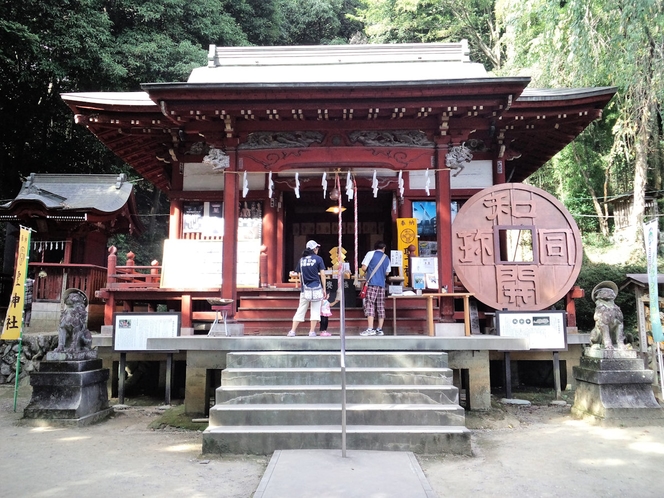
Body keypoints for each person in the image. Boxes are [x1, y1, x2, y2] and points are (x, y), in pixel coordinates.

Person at [287, 240, 327, 337]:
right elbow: (322, 274)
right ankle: (312, 331)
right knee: (315, 310)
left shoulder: (301, 260)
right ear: (314, 249)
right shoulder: (318, 259)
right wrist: (324, 288)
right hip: (316, 288)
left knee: (301, 309)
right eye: (317, 248)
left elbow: (300, 275)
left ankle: (292, 331)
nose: (317, 249)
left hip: (305, 289)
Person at [359, 241, 391, 336]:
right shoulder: (386, 257)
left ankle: (370, 329)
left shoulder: (370, 254)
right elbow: (387, 273)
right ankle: (379, 329)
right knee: (381, 306)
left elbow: (364, 268)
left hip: (372, 283)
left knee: (370, 304)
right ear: (384, 248)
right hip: (382, 284)